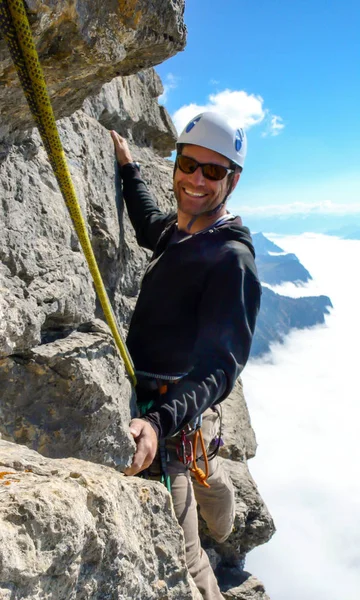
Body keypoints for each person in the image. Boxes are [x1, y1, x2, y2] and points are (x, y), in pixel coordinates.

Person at [111, 112, 261, 600]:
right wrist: (129, 169)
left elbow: (221, 367)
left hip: (173, 415)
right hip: (186, 416)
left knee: (186, 552)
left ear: (232, 181)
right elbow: (152, 225)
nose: (196, 179)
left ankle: (222, 525)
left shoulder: (230, 260)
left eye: (213, 172)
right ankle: (224, 511)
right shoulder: (184, 233)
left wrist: (156, 423)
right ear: (176, 163)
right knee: (208, 473)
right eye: (189, 163)